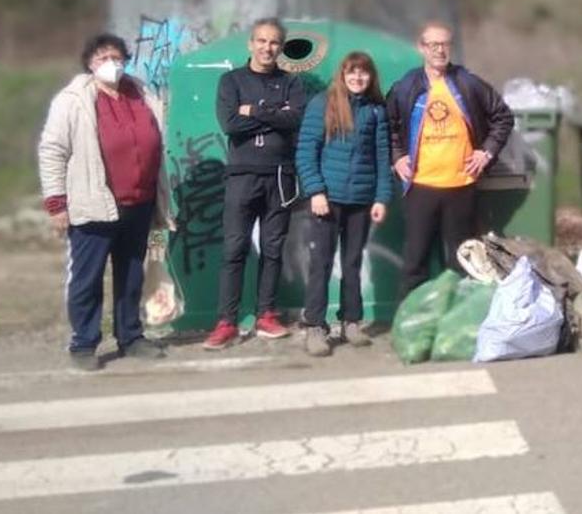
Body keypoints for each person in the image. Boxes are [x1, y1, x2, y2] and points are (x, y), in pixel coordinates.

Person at [38, 33, 171, 371]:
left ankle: (130, 336)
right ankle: (84, 341)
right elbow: (52, 151)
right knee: (87, 278)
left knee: (131, 276)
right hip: (92, 204)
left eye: (116, 56)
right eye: (102, 57)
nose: (110, 63)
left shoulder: (141, 93)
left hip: (138, 203)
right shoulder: (72, 100)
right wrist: (56, 204)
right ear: (89, 63)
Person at [385, 21, 514, 298]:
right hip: (420, 186)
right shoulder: (407, 86)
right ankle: (410, 326)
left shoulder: (468, 84)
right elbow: (389, 125)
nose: (439, 50)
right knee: (415, 262)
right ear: (422, 47)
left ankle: (455, 327)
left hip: (461, 186)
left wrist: (487, 151)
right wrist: (396, 157)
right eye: (433, 44)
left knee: (462, 261)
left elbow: (503, 117)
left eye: (444, 44)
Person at [203, 18, 305, 350]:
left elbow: (295, 119)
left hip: (280, 176)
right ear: (250, 44)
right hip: (242, 176)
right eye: (261, 41)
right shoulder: (230, 81)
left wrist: (255, 110)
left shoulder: (291, 82)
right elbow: (231, 124)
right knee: (235, 249)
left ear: (281, 47)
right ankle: (226, 322)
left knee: (273, 250)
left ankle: (266, 315)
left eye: (274, 43)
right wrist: (273, 112)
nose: (267, 48)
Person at [295, 51, 392, 356]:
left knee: (352, 263)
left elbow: (382, 157)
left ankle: (351, 322)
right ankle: (315, 326)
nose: (358, 78)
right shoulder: (322, 104)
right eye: (352, 72)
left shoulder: (376, 111)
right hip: (328, 200)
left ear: (371, 77)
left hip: (361, 202)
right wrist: (316, 191)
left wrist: (381, 197)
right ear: (342, 74)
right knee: (320, 264)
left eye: (363, 73)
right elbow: (305, 152)